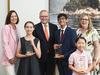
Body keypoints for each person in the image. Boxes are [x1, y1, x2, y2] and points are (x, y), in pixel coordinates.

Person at [33, 10, 58, 75]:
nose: (44, 18)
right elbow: (34, 42)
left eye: (46, 16)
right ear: (39, 17)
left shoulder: (54, 27)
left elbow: (56, 41)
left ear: (48, 17)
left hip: (51, 57)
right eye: (42, 16)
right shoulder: (35, 27)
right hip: (40, 57)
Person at [1, 10, 19, 75]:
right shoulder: (6, 27)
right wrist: (10, 57)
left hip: (16, 57)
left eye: (15, 16)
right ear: (9, 18)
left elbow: (17, 43)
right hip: (9, 58)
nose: (14, 18)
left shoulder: (16, 28)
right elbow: (5, 44)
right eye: (12, 16)